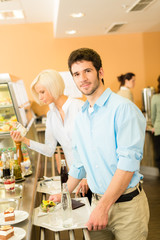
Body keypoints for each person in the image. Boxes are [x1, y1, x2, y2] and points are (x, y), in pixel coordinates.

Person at [49, 48, 149, 240]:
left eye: (87, 71)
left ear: (100, 72)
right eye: (76, 74)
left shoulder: (123, 109)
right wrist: (62, 193)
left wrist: (103, 207)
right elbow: (79, 163)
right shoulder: (82, 117)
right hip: (96, 205)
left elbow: (127, 166)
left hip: (127, 209)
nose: (82, 78)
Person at [10, 69, 91, 200]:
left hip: (92, 176)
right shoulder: (51, 115)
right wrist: (24, 140)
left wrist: (88, 176)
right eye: (38, 93)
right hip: (74, 178)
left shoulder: (80, 107)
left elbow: (92, 145)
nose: (40, 97)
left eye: (42, 92)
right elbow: (49, 149)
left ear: (53, 87)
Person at [151, 76, 160, 171]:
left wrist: (154, 125)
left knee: (159, 155)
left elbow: (153, 115)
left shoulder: (156, 97)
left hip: (158, 130)